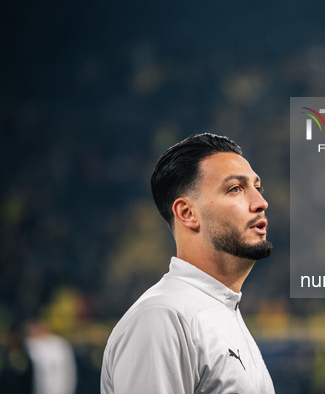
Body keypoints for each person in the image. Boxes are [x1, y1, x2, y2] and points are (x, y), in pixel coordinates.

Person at [101, 133, 275, 393]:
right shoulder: (163, 317)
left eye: (257, 188)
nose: (261, 203)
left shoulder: (222, 310)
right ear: (187, 213)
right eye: (236, 189)